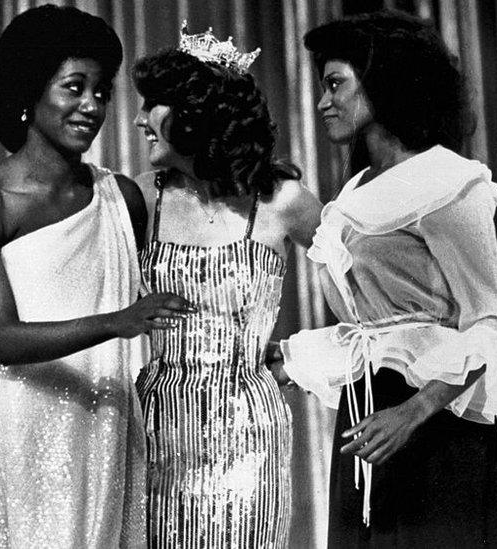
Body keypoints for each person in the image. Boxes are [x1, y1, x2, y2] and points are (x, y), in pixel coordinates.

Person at [269, 11, 497, 547]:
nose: (323, 102)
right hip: (366, 418)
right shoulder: (354, 192)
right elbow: (376, 329)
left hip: (434, 425)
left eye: (335, 84)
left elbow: (492, 323)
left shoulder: (448, 182)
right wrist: (289, 358)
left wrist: (412, 413)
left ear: (384, 82)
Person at [0, 5, 195, 547]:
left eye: (102, 92)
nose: (92, 106)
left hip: (105, 420)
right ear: (30, 91)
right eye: (74, 88)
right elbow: (5, 340)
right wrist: (120, 321)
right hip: (20, 427)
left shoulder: (122, 198)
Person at [129, 24, 322, 548]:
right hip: (158, 433)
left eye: (153, 106)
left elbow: (368, 292)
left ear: (194, 113)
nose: (139, 120)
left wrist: (307, 358)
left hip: (250, 442)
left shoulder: (282, 201)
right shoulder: (142, 199)